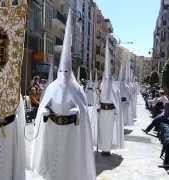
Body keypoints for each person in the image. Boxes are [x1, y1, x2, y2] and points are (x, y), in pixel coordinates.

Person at [31, 10, 96, 180]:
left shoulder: (77, 89)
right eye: (62, 70)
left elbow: (82, 109)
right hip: (52, 130)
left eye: (67, 70)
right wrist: (44, 111)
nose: (64, 73)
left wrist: (78, 113)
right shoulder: (52, 87)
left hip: (71, 134)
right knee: (53, 161)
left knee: (68, 162)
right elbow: (44, 105)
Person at [97, 37, 123, 156]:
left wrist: (116, 111)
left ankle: (107, 149)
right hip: (102, 111)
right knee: (102, 130)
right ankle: (103, 148)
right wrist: (98, 106)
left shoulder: (114, 88)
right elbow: (98, 98)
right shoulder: (102, 86)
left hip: (111, 112)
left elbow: (116, 101)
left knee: (109, 131)